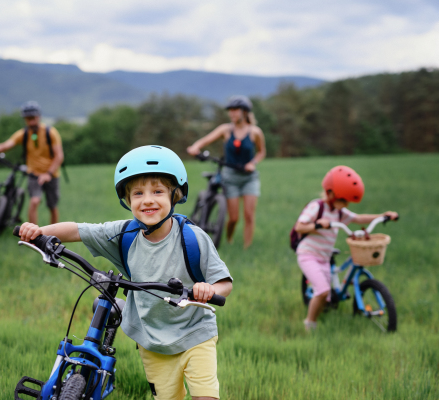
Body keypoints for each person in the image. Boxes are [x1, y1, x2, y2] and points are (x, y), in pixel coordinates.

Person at [19, 145, 233, 400]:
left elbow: (224, 283)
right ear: (127, 200)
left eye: (158, 191)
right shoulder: (125, 235)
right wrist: (40, 232)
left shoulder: (193, 238)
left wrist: (209, 290)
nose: (148, 200)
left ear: (175, 195)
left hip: (195, 333)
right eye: (138, 193)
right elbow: (78, 230)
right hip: (152, 341)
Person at [294, 166, 398, 331]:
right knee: (322, 291)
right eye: (343, 200)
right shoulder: (317, 207)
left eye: (347, 202)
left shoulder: (339, 212)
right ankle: (310, 323)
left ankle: (323, 309)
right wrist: (317, 225)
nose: (345, 205)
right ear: (330, 194)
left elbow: (358, 218)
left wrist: (382, 216)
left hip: (325, 257)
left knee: (327, 297)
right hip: (308, 254)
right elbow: (300, 226)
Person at [187, 95, 266, 249]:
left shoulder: (255, 132)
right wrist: (195, 147)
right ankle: (229, 239)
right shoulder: (226, 130)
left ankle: (246, 248)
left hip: (249, 177)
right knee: (233, 218)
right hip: (230, 177)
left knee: (249, 215)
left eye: (235, 110)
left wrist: (253, 163)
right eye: (230, 111)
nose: (232, 114)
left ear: (245, 112)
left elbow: (261, 152)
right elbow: (205, 140)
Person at [0, 101, 64, 225]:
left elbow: (59, 156)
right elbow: (8, 144)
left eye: (32, 118)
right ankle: (34, 236)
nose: (30, 121)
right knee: (34, 201)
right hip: (33, 174)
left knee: (52, 206)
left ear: (38, 117)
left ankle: (53, 235)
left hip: (51, 174)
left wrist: (48, 173)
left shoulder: (51, 133)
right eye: (27, 119)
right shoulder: (24, 134)